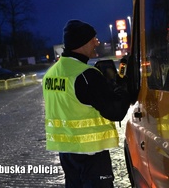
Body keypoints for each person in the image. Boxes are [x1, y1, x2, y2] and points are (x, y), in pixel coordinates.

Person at [42, 19, 130, 188]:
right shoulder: (86, 75)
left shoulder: (50, 74)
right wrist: (123, 88)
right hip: (91, 154)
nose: (96, 43)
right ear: (82, 43)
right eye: (93, 40)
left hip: (67, 153)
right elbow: (115, 112)